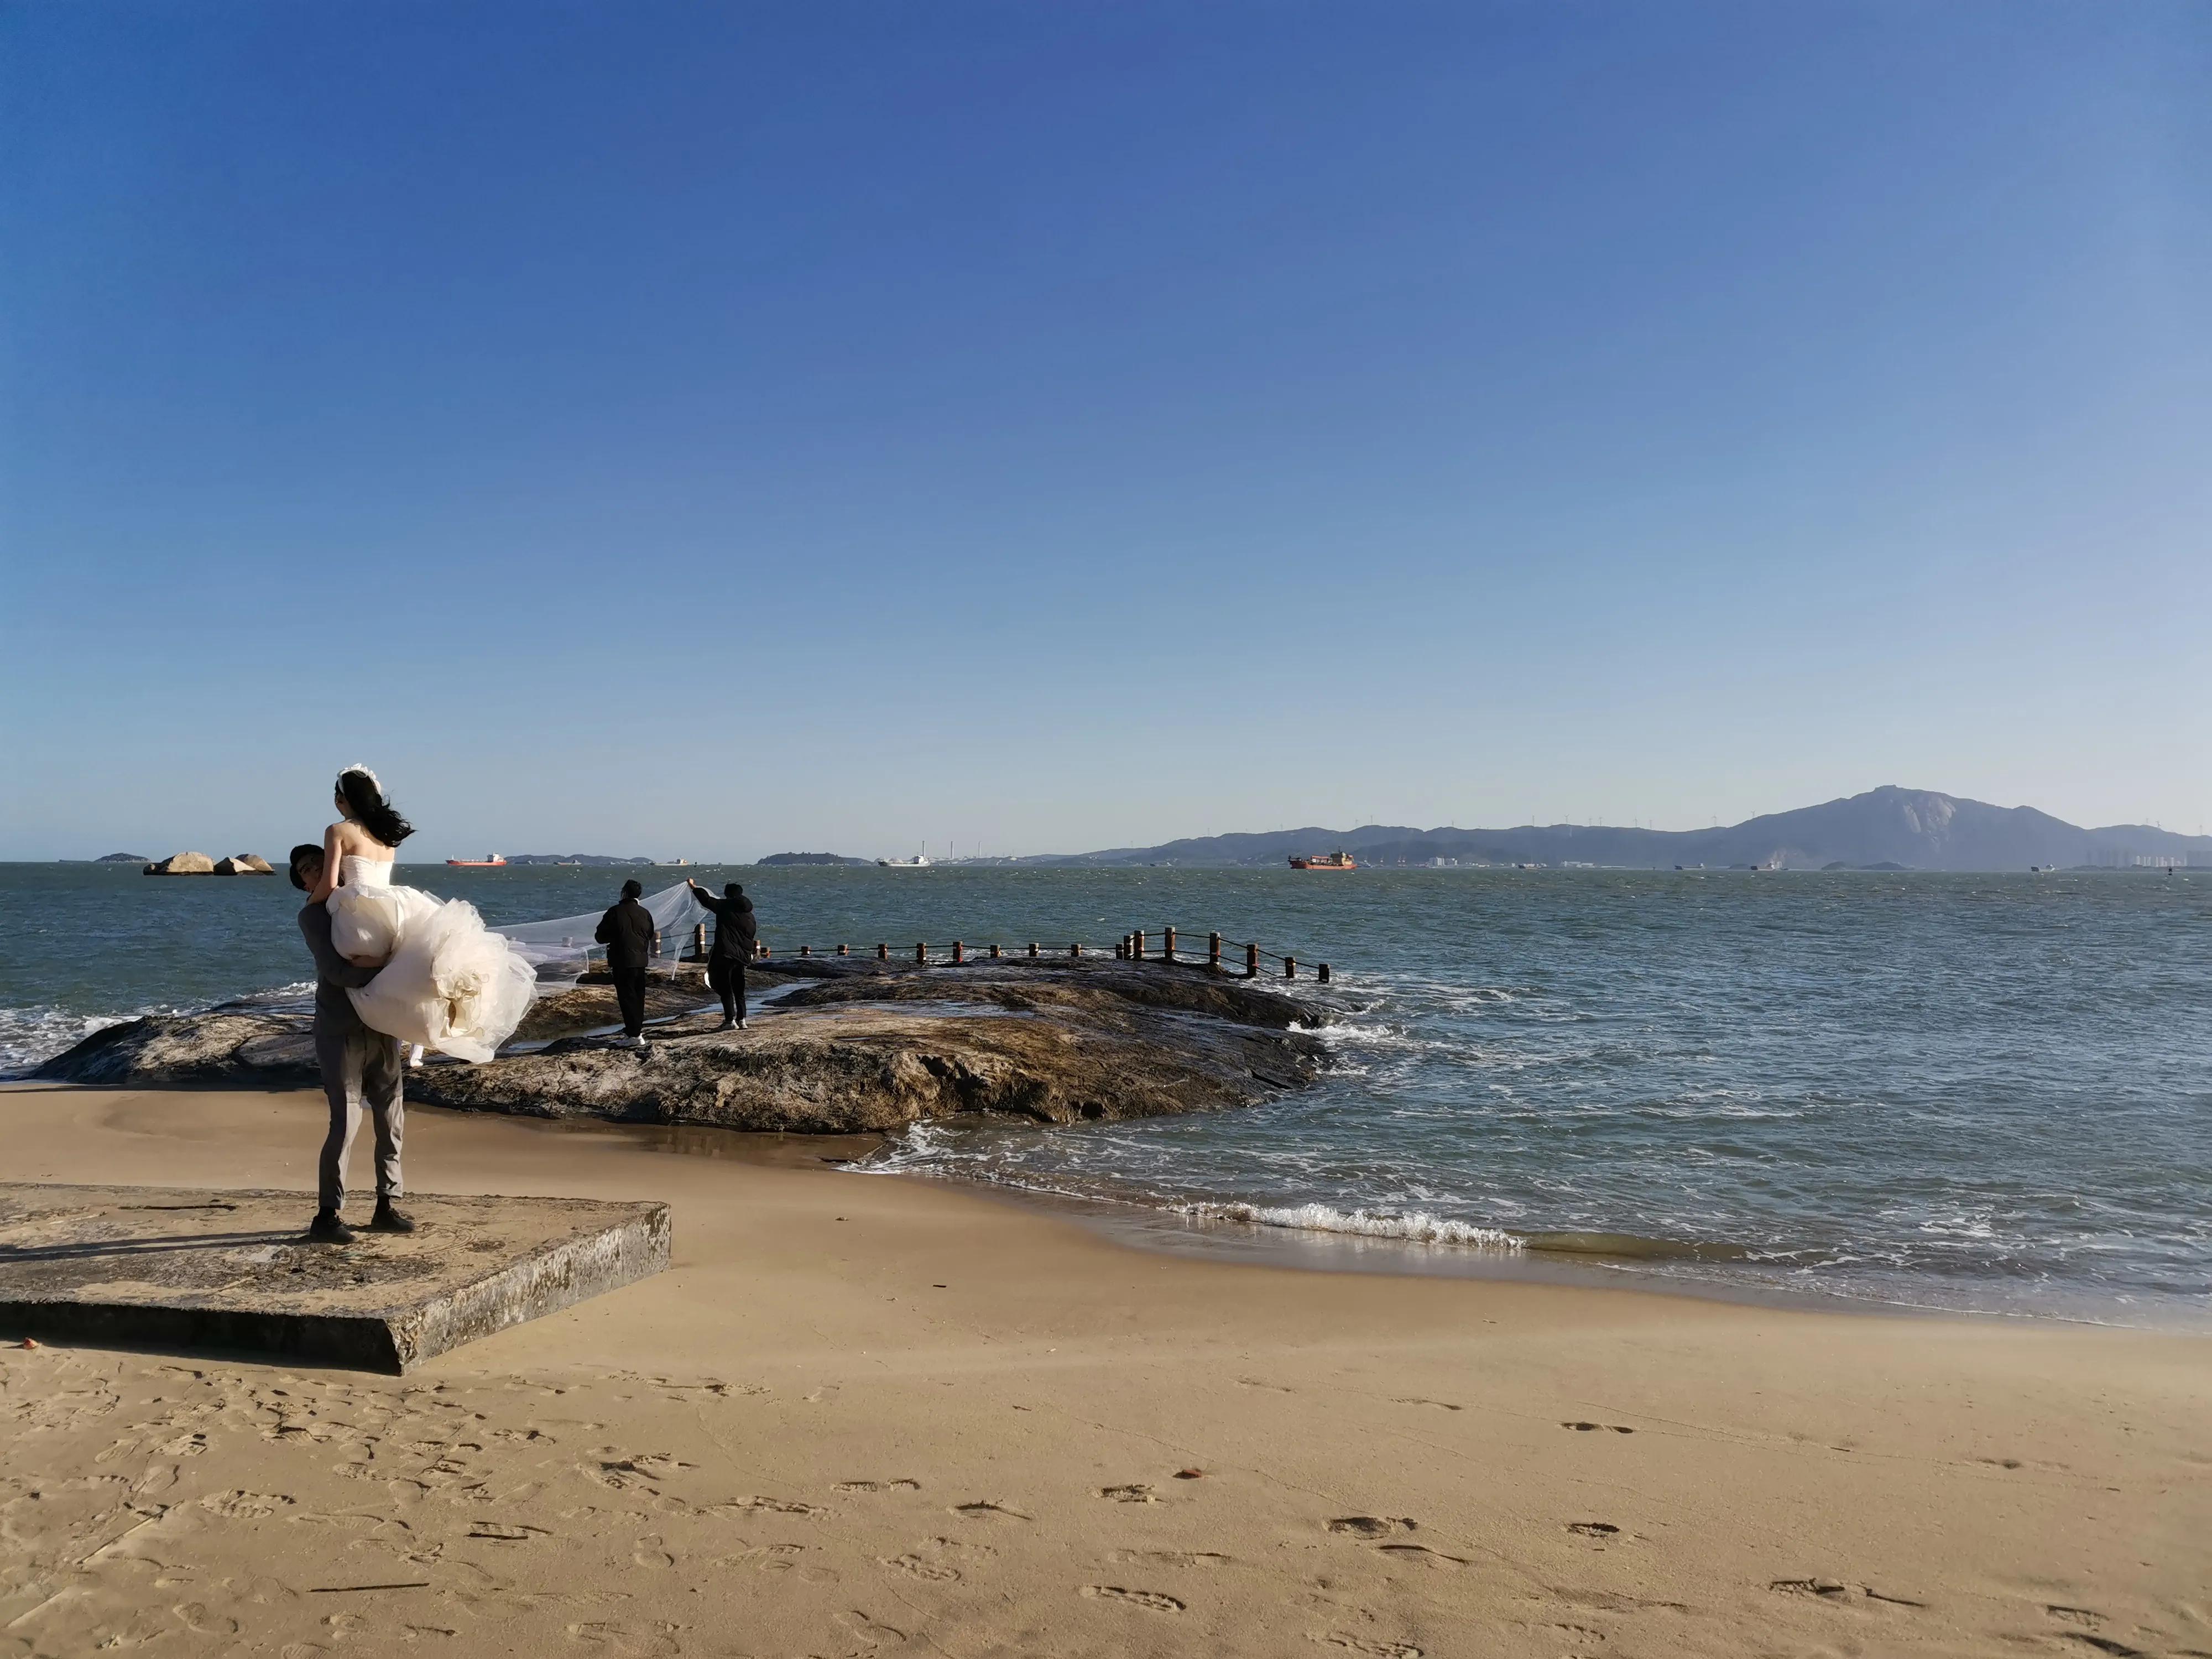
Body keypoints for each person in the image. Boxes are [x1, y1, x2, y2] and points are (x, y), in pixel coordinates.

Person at [310, 765, 537, 1063]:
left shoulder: (337, 831)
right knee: (404, 961)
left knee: (359, 961)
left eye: (336, 796)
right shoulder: (385, 834)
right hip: (394, 904)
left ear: (343, 799)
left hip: (362, 909)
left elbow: (328, 884)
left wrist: (310, 907)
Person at [291, 842, 410, 1244]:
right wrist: (391, 963)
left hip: (381, 1025)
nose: (313, 871)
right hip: (340, 1029)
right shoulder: (312, 916)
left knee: (392, 1118)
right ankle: (327, 1214)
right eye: (306, 870)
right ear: (303, 882)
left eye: (318, 863)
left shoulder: (363, 904)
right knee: (346, 1122)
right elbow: (338, 971)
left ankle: (387, 1205)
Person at [594, 878, 660, 1052]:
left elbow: (600, 936)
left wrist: (616, 937)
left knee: (626, 997)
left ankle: (634, 1036)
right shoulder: (645, 913)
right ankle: (636, 1032)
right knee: (639, 997)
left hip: (622, 959)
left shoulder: (615, 912)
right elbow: (650, 933)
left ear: (624, 892)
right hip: (641, 960)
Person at [686, 879, 757, 1029]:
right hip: (742, 956)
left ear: (728, 895)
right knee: (739, 989)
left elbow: (706, 900)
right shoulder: (749, 915)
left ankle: (729, 1021)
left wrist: (693, 886)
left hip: (727, 954)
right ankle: (742, 1020)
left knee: (725, 988)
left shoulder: (725, 907)